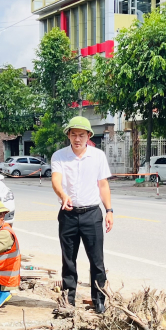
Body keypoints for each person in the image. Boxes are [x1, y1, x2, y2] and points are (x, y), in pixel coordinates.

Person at [50, 116, 113, 313]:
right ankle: (69, 301)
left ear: (88, 136)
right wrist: (63, 195)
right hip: (68, 214)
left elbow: (103, 185)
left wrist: (109, 210)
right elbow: (56, 180)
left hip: (92, 214)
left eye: (82, 135)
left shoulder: (98, 156)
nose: (77, 139)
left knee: (97, 260)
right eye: (74, 134)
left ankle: (99, 299)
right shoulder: (59, 156)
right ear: (68, 135)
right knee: (68, 260)